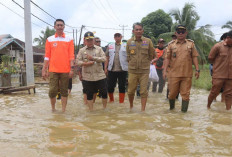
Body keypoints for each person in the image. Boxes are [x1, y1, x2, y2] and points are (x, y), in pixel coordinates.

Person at [163, 25, 200, 112]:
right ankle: (171, 110)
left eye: (182, 32)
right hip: (173, 74)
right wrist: (164, 71)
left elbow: (194, 57)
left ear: (186, 33)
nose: (180, 33)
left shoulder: (191, 44)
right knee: (172, 94)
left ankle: (184, 114)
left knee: (186, 95)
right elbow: (167, 58)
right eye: (178, 32)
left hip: (186, 74)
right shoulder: (171, 45)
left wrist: (197, 69)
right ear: (176, 33)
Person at [42, 19, 74, 112]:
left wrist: (71, 69)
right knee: (52, 91)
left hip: (65, 70)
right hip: (53, 70)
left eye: (61, 25)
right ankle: (53, 109)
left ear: (64, 27)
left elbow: (71, 56)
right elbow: (47, 56)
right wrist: (44, 69)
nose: (60, 27)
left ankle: (63, 110)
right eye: (58, 25)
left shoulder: (69, 39)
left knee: (64, 91)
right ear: (54, 27)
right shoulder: (50, 39)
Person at [126, 22, 154, 111]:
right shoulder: (129, 42)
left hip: (144, 71)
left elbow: (151, 55)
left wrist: (145, 62)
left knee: (143, 92)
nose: (138, 31)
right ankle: (131, 107)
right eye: (136, 29)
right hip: (132, 71)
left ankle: (143, 110)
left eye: (140, 29)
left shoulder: (148, 41)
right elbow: (128, 56)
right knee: (130, 91)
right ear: (133, 31)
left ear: (143, 30)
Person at [77, 31, 107, 111]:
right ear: (85, 40)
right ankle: (91, 111)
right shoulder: (82, 50)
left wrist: (94, 58)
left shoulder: (99, 49)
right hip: (87, 77)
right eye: (88, 40)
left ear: (93, 40)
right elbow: (77, 62)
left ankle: (104, 109)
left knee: (104, 93)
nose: (90, 41)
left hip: (100, 75)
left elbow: (104, 59)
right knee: (89, 94)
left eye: (91, 39)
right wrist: (85, 64)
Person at [207, 30, 232, 110]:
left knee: (229, 94)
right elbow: (211, 58)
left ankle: (228, 110)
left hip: (230, 76)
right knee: (214, 92)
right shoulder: (218, 46)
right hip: (219, 75)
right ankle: (208, 107)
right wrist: (218, 65)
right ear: (228, 38)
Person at [105, 33, 128, 103]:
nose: (117, 37)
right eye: (116, 36)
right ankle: (111, 100)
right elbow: (107, 57)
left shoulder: (126, 45)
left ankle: (121, 102)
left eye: (119, 36)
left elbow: (130, 57)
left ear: (121, 37)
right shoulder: (110, 46)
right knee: (110, 86)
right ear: (114, 38)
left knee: (122, 86)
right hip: (112, 69)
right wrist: (105, 68)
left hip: (122, 70)